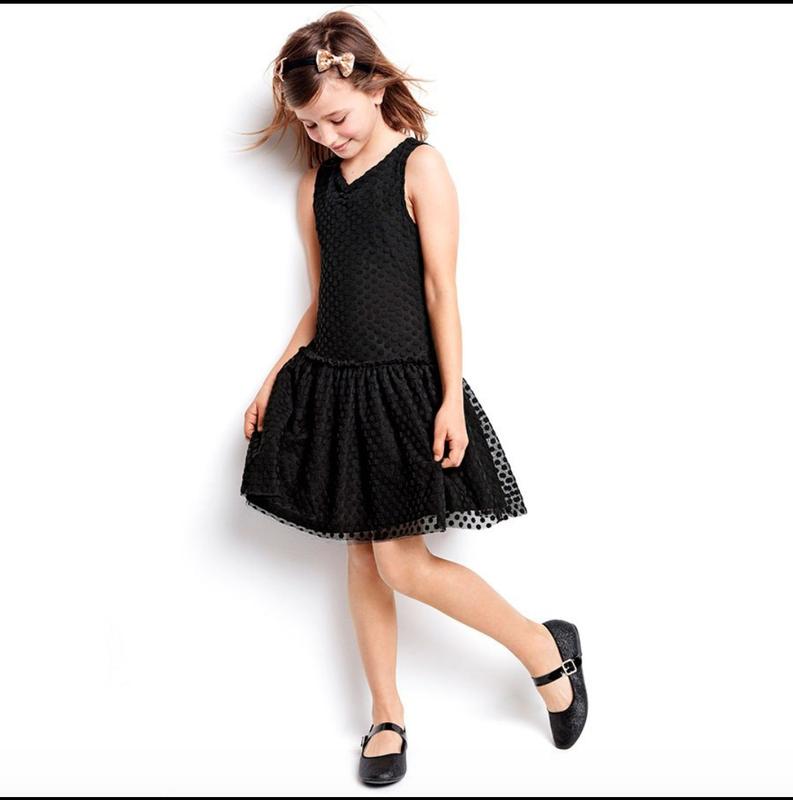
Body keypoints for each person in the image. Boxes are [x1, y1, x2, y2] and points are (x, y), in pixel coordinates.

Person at [238, 10, 588, 786]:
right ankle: (387, 714)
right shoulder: (314, 188)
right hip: (332, 385)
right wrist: (271, 380)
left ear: (371, 85)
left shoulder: (419, 167)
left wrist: (449, 399)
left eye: (335, 118)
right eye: (310, 125)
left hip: (403, 387)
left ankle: (543, 648)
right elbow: (322, 301)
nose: (326, 136)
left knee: (401, 563)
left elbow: (439, 292)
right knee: (362, 555)